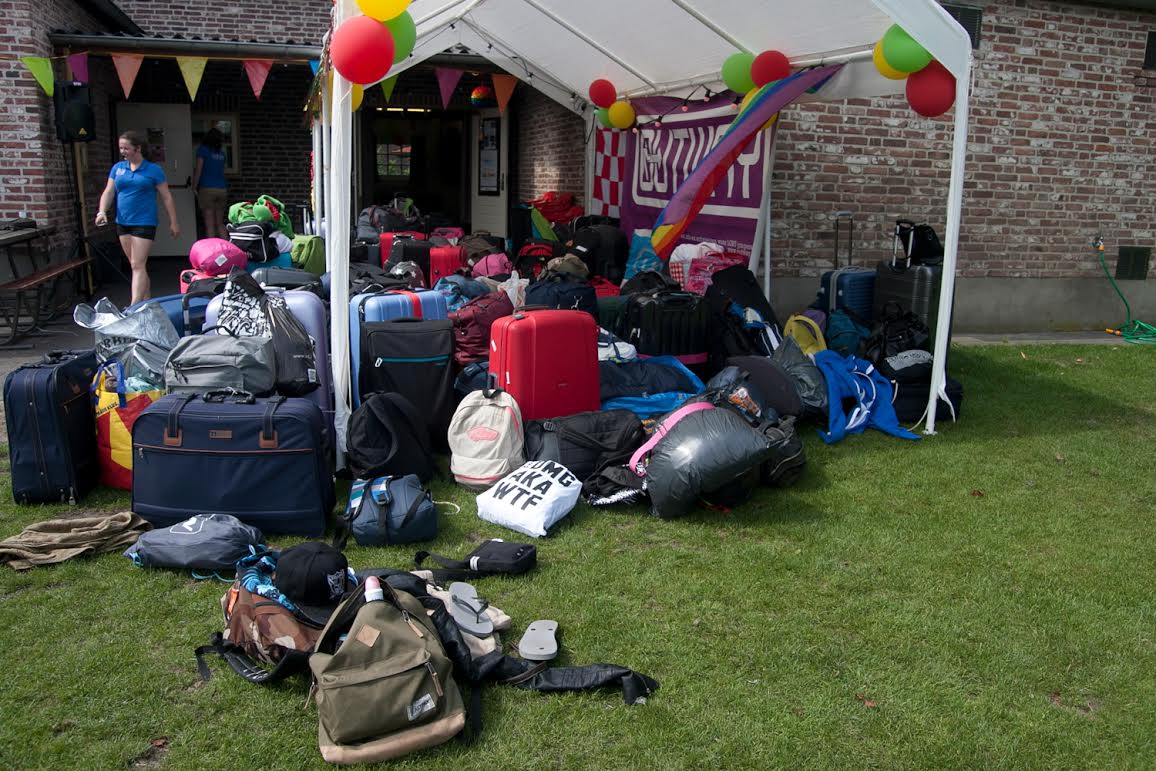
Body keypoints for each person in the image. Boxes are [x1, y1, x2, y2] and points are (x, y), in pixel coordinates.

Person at [95, 130, 179, 305]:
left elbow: (166, 197)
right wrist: (102, 211)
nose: (122, 152)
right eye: (121, 148)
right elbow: (109, 191)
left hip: (144, 221)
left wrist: (174, 222)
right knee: (136, 265)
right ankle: (147, 304)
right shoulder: (118, 168)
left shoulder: (153, 170)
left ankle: (133, 306)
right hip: (123, 221)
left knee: (137, 265)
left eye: (126, 148)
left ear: (138, 148)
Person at [192, 127, 228, 239]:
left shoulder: (203, 150)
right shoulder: (222, 154)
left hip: (207, 189)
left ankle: (212, 250)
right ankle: (228, 248)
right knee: (220, 223)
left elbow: (199, 170)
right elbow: (222, 171)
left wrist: (194, 186)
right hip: (222, 189)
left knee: (209, 225)